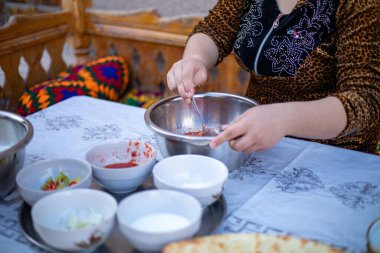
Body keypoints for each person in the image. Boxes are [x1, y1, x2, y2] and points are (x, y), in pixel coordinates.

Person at [166, 0, 380, 154]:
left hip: (332, 153)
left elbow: (364, 100)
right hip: (256, 141)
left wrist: (285, 119)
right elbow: (215, 28)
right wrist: (195, 58)